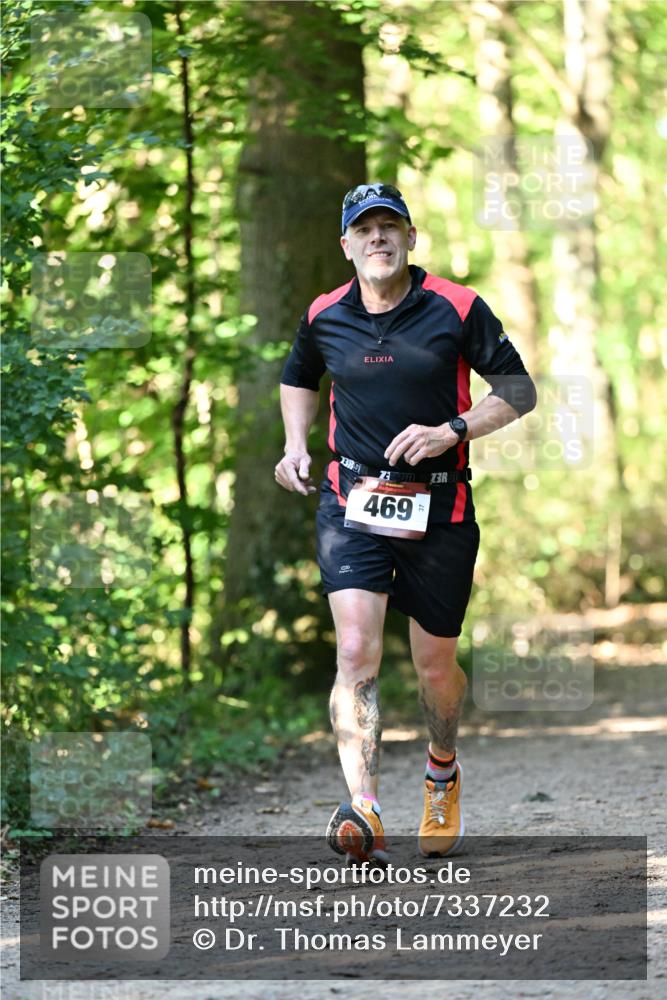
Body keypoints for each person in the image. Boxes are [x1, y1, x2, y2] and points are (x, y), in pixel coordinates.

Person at [276, 183, 536, 864]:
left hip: (440, 507)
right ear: (346, 245)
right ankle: (363, 806)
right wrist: (295, 446)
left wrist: (453, 429)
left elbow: (518, 389)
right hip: (351, 502)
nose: (378, 238)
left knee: (434, 666)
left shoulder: (457, 306)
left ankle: (441, 772)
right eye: (364, 229)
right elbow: (298, 377)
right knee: (355, 649)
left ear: (410, 237)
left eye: (389, 226)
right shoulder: (324, 314)